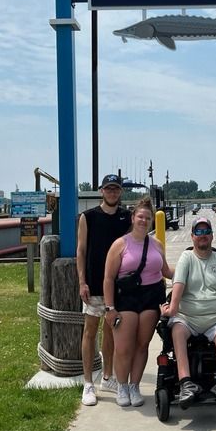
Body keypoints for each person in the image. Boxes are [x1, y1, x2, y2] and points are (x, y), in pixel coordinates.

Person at [160, 217, 216, 409]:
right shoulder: (186, 258)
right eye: (198, 232)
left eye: (206, 232)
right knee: (177, 330)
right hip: (189, 317)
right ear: (192, 237)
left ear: (212, 236)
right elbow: (178, 283)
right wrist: (172, 308)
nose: (202, 235)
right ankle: (185, 383)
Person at [103, 196, 173, 407]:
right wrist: (110, 308)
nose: (144, 220)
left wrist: (191, 270)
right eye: (140, 216)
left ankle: (135, 385)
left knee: (143, 345)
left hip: (152, 297)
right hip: (126, 298)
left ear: (152, 221)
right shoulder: (120, 244)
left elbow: (166, 271)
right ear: (133, 218)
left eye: (148, 217)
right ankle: (122, 385)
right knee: (123, 347)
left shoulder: (157, 244)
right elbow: (108, 278)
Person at [76, 174, 131, 406]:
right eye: (108, 189)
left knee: (112, 331)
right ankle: (88, 382)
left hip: (118, 286)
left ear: (120, 192)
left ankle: (108, 377)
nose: (112, 193)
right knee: (90, 331)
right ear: (101, 191)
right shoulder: (88, 217)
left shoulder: (127, 217)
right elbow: (81, 250)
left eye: (116, 189)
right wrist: (82, 281)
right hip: (94, 283)